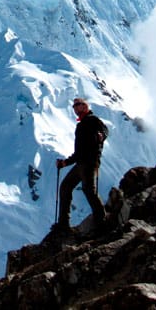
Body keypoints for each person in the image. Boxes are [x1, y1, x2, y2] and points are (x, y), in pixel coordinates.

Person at [54, 97, 107, 230]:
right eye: (74, 106)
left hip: (89, 162)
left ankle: (102, 220)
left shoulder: (93, 120)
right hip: (82, 163)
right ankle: (63, 223)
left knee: (88, 190)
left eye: (78, 105)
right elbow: (79, 152)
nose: (75, 108)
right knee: (66, 187)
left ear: (85, 106)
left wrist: (102, 135)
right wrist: (65, 162)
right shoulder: (81, 124)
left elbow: (105, 130)